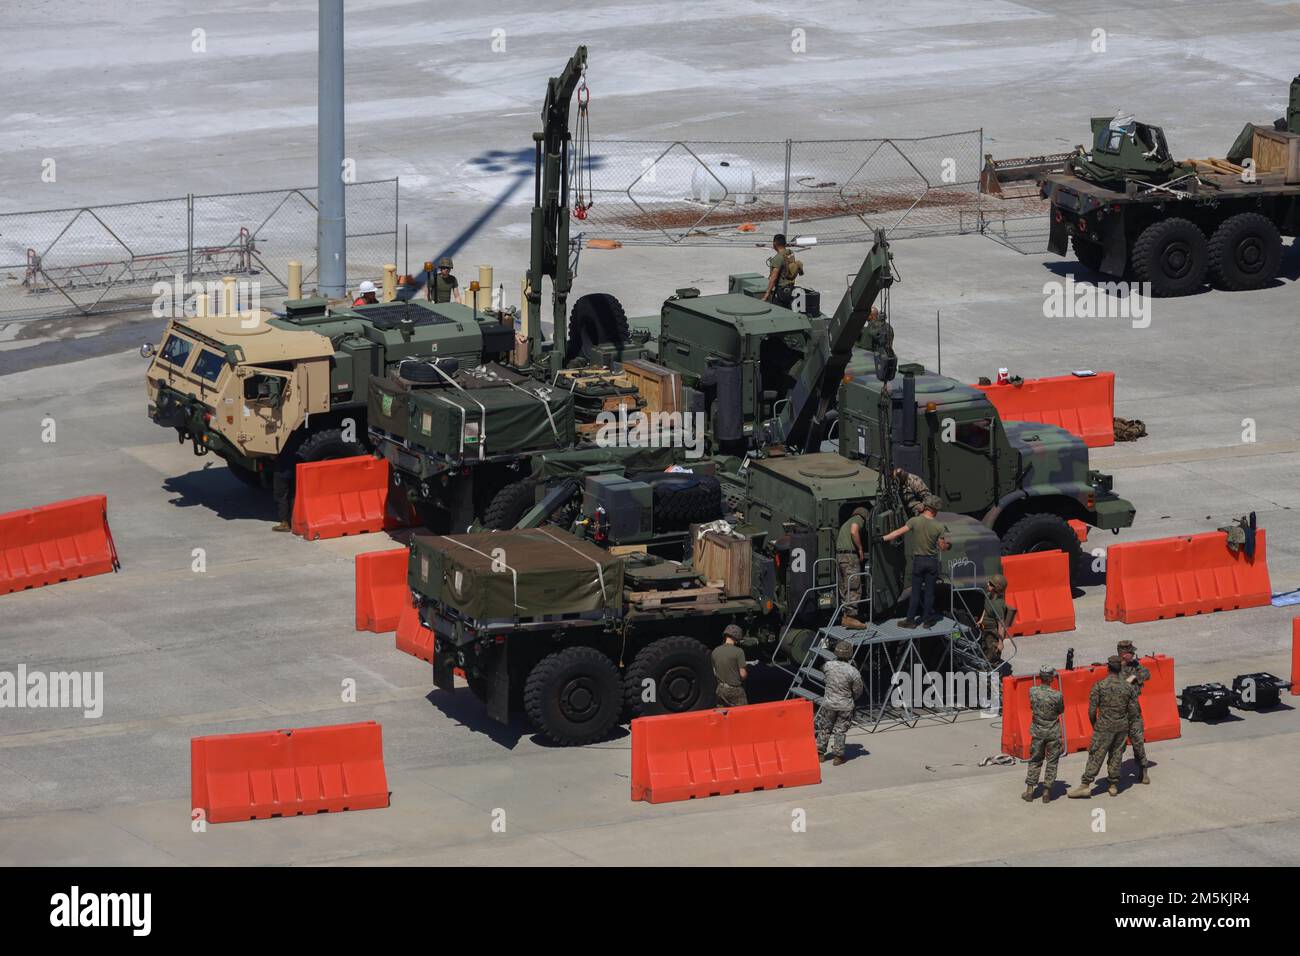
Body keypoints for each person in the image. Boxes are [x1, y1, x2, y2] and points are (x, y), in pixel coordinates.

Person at [1068, 656, 1140, 798]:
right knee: (1116, 754)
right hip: (1121, 726)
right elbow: (1133, 710)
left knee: (1096, 754)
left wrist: (1095, 725)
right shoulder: (1128, 686)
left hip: (1104, 726)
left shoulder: (1100, 685)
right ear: (1120, 668)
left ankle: (1085, 785)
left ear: (1108, 668)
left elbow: (1091, 710)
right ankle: (1113, 785)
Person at [881, 495, 950, 629]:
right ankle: (927, 620)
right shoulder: (939, 526)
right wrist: (948, 546)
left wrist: (882, 538)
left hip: (918, 562)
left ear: (925, 507)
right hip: (932, 562)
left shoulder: (915, 521)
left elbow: (897, 533)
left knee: (915, 592)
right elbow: (943, 547)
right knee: (929, 592)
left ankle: (910, 621)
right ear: (935, 511)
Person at [816, 641, 864, 766]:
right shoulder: (853, 671)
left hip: (829, 704)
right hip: (845, 705)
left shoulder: (828, 666)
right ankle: (838, 756)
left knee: (825, 728)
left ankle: (820, 754)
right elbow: (858, 690)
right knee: (840, 730)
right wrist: (851, 698)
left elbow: (823, 670)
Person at [1024, 665, 1065, 803]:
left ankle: (1030, 790)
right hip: (1053, 732)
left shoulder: (1032, 691)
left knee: (1035, 760)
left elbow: (1031, 706)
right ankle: (1047, 791)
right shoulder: (1057, 695)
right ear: (1051, 678)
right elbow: (1061, 710)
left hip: (1038, 732)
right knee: (1052, 761)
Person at [1118, 639, 1152, 784]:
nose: (1133, 654)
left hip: (1134, 711)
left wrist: (1133, 677)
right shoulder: (1115, 666)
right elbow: (1117, 683)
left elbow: (1146, 674)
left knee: (1138, 742)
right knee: (1118, 745)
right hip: (1119, 712)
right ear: (1123, 654)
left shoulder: (1135, 665)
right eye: (1131, 652)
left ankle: (1143, 770)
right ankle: (1114, 773)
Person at [835, 506, 871, 627]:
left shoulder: (846, 522)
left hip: (840, 557)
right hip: (850, 556)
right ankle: (850, 617)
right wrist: (860, 549)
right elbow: (854, 531)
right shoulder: (859, 519)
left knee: (845, 586)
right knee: (854, 586)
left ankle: (846, 616)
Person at [978, 573, 1016, 667]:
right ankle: (985, 679)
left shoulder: (998, 604)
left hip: (994, 633)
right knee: (984, 656)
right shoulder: (988, 595)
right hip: (986, 631)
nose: (987, 584)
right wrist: (981, 620)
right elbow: (985, 608)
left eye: (991, 584)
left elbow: (1001, 624)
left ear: (996, 588)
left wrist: (1000, 642)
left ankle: (994, 681)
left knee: (992, 660)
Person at [712, 624, 749, 707]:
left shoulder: (715, 651)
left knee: (723, 714)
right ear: (737, 637)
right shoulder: (739, 652)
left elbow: (715, 672)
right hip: (735, 690)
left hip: (720, 689)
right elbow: (743, 675)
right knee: (743, 714)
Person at [762, 234, 801, 307]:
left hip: (781, 291)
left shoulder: (778, 258)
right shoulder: (790, 253)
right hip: (791, 288)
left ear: (774, 244)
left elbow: (773, 278)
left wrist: (766, 295)